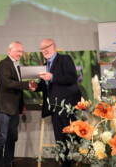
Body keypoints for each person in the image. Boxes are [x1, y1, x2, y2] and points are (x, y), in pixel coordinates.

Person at [37, 38, 81, 167]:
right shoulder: (44, 65)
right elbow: (46, 85)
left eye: (47, 47)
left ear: (54, 46)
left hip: (67, 106)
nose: (44, 50)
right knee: (60, 140)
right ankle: (65, 164)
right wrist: (36, 87)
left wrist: (53, 77)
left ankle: (76, 162)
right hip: (55, 107)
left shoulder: (65, 59)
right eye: (42, 48)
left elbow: (72, 77)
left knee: (72, 139)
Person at [0, 41, 37, 167]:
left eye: (22, 51)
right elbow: (8, 83)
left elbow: (18, 90)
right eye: (18, 51)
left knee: (12, 138)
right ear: (9, 51)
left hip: (14, 109)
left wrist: (22, 105)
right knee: (2, 139)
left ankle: (8, 163)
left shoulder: (17, 66)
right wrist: (27, 85)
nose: (21, 54)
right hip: (4, 108)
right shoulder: (4, 64)